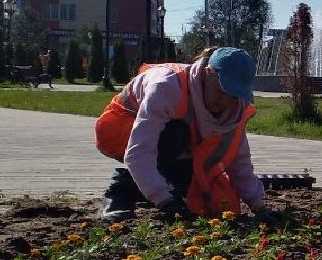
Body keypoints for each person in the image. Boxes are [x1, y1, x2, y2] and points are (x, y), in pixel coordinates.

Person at [95, 47, 271, 223]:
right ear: (207, 73)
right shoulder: (167, 86)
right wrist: (165, 202)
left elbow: (239, 164)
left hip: (172, 143)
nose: (225, 101)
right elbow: (139, 152)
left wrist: (259, 207)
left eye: (233, 96)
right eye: (222, 91)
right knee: (175, 135)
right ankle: (119, 192)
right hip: (119, 130)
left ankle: (155, 187)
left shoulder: (235, 111)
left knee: (196, 189)